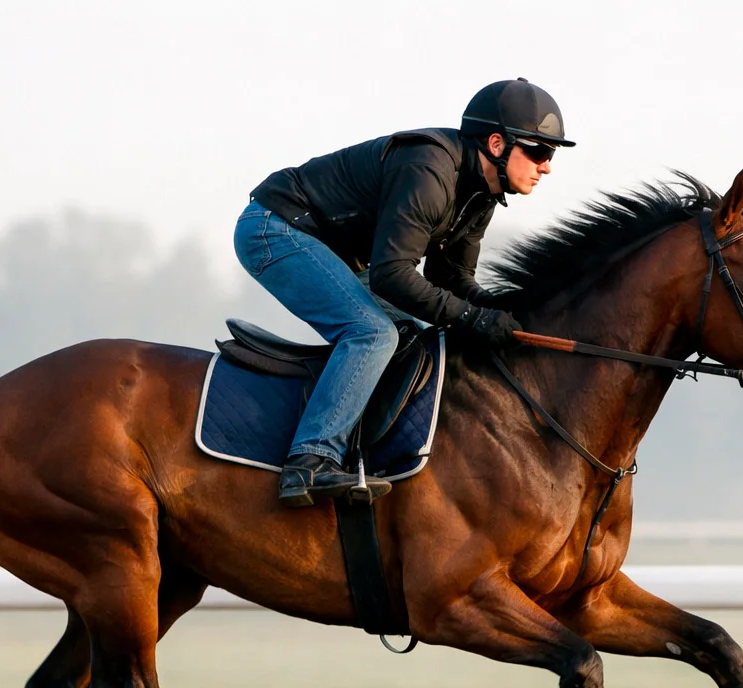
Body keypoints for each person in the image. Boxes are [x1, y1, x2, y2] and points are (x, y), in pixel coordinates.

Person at [234, 78, 573, 508]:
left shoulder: (481, 196)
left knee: (416, 337)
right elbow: (393, 276)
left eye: (551, 155)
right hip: (275, 227)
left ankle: (364, 454)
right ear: (495, 143)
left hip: (335, 252)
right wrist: (474, 319)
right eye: (539, 151)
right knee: (373, 334)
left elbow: (452, 281)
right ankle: (310, 459)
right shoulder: (430, 169)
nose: (546, 167)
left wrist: (505, 310)